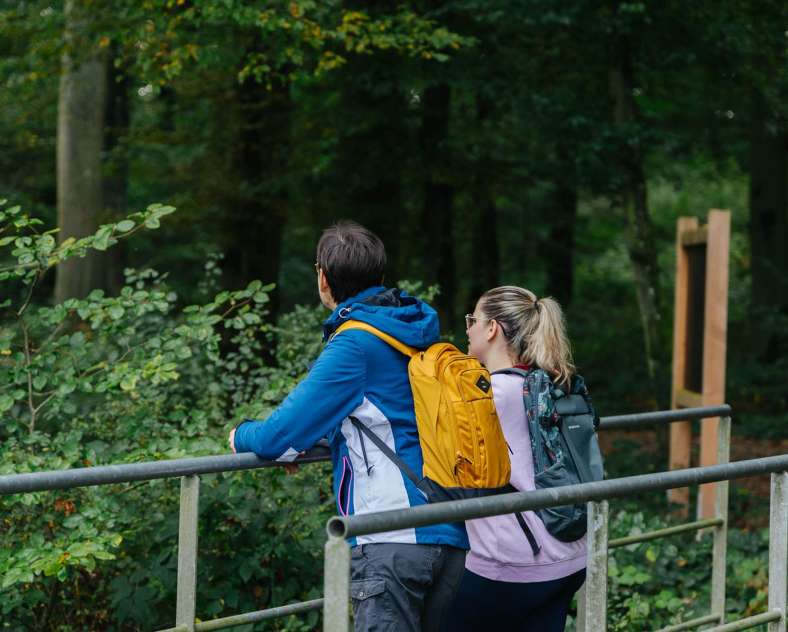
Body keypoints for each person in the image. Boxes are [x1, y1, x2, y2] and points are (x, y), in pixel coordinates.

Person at [229, 221, 468, 632]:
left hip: (392, 536)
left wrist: (239, 435)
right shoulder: (413, 329)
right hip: (449, 531)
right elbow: (390, 413)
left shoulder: (355, 344)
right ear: (379, 275)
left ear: (323, 279)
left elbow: (274, 437)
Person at [446, 286, 587, 632]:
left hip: (513, 563)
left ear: (492, 328)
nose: (468, 329)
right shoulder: (553, 386)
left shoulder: (490, 396)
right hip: (571, 556)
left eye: (473, 320)